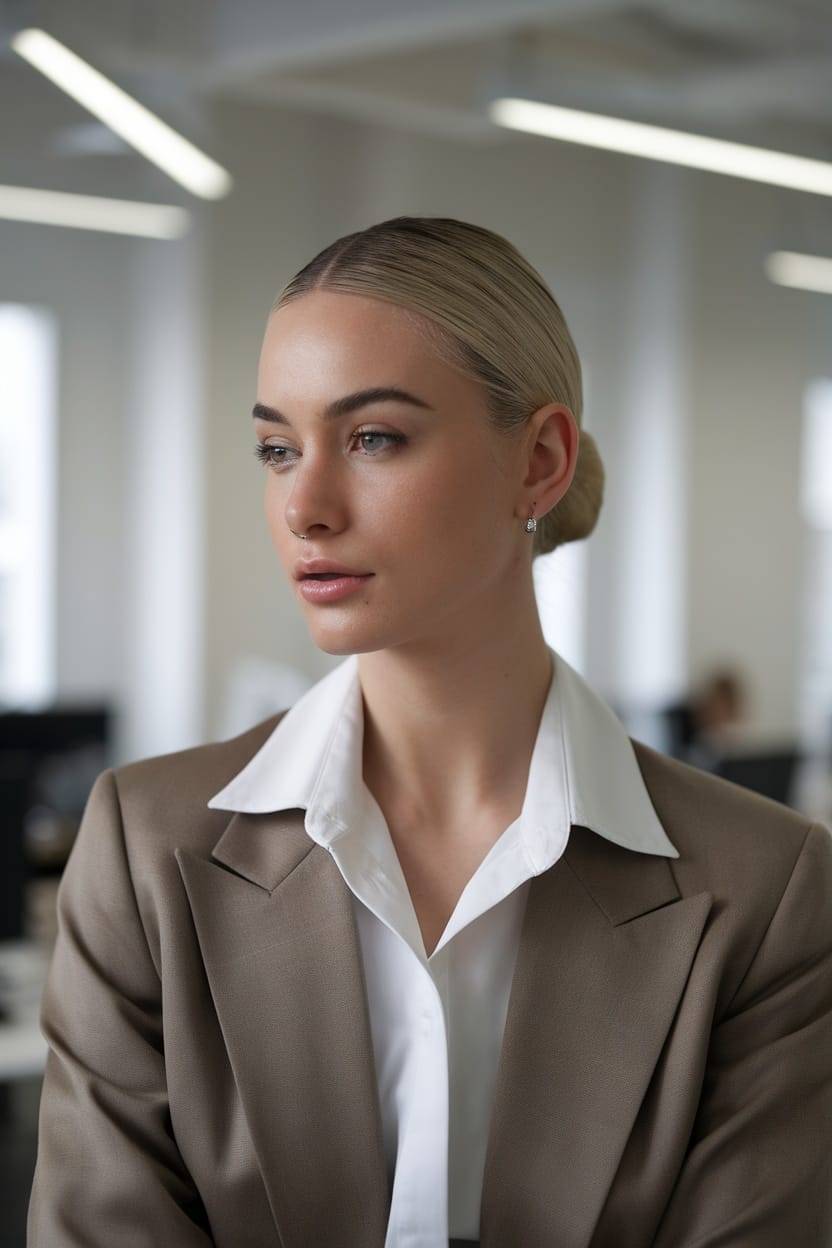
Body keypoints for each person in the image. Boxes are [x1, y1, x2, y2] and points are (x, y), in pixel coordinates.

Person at [29, 217, 832, 1247]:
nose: (305, 507)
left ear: (537, 463)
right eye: (278, 448)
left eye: (373, 439)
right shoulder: (146, 849)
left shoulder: (768, 891)